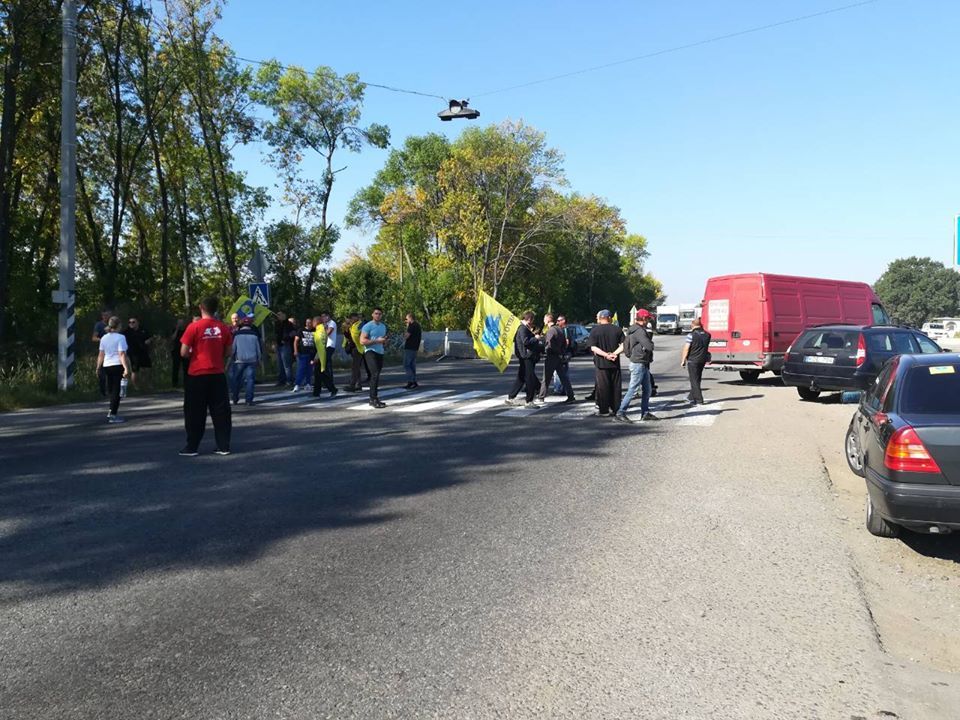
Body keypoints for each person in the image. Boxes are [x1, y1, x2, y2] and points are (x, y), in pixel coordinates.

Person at [179, 296, 233, 457]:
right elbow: (229, 352)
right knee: (221, 411)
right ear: (215, 308)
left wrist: (193, 354)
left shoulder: (193, 327)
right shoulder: (223, 328)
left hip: (197, 374)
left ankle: (192, 446)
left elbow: (183, 351)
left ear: (201, 307)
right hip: (217, 373)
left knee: (194, 411)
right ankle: (223, 445)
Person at [615, 308, 658, 423]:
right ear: (643, 318)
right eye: (648, 318)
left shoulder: (633, 330)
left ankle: (645, 412)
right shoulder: (640, 331)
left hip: (641, 363)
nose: (649, 320)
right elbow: (650, 346)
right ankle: (621, 412)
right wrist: (650, 341)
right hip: (638, 363)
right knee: (633, 389)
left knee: (647, 389)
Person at [587, 309, 624, 417]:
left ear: (600, 318)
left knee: (603, 387)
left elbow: (593, 347)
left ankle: (604, 410)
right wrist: (614, 354)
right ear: (609, 318)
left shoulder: (595, 331)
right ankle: (616, 408)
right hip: (614, 363)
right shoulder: (617, 330)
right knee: (616, 387)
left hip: (601, 364)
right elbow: (623, 345)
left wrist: (606, 355)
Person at [95, 316, 131, 424]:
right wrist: (126, 368)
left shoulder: (104, 338)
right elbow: (122, 354)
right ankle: (113, 414)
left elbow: (101, 354)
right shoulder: (120, 337)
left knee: (111, 390)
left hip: (107, 365)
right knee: (117, 391)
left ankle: (111, 408)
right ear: (119, 325)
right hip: (117, 365)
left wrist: (98, 367)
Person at [505, 311, 543, 406]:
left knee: (521, 377)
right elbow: (525, 342)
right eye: (532, 319)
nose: (533, 321)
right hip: (526, 356)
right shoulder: (523, 328)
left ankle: (511, 397)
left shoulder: (523, 328)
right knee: (529, 378)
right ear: (529, 319)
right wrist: (536, 338)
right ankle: (529, 401)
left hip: (523, 355)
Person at [539, 314, 575, 403]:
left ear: (547, 320)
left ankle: (541, 397)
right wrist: (561, 353)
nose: (544, 321)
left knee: (546, 377)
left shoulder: (551, 330)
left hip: (551, 356)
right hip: (559, 356)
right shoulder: (560, 330)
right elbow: (564, 344)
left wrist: (545, 351)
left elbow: (549, 344)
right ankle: (570, 395)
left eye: (544, 319)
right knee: (563, 377)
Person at [359, 307, 388, 408]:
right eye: (376, 313)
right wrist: (376, 341)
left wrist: (384, 342)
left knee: (376, 375)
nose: (378, 315)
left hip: (380, 352)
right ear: (372, 314)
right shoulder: (367, 326)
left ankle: (375, 398)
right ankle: (373, 398)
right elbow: (362, 341)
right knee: (374, 374)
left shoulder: (383, 326)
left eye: (380, 314)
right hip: (370, 351)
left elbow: (382, 340)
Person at [230, 317, 262, 406]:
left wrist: (232, 357)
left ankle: (235, 398)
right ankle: (249, 400)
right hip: (252, 360)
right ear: (250, 324)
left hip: (239, 360)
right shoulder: (254, 335)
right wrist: (259, 359)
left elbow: (233, 348)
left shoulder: (237, 334)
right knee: (250, 380)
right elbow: (258, 348)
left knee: (237, 379)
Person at [681, 317, 712, 406]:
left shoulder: (691, 335)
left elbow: (686, 349)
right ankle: (690, 397)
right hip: (702, 359)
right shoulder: (707, 334)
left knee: (694, 380)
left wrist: (683, 360)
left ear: (692, 325)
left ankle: (699, 400)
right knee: (697, 379)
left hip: (693, 360)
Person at [311, 315, 338, 398]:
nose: (312, 323)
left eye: (313, 322)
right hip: (321, 355)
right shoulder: (321, 330)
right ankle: (316, 392)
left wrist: (316, 357)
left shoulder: (319, 332)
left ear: (316, 322)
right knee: (318, 374)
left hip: (321, 356)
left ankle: (332, 389)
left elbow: (320, 346)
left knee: (322, 374)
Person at [122, 316, 152, 389]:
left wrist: (149, 340)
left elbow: (150, 337)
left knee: (147, 369)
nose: (131, 324)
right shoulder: (126, 332)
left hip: (144, 352)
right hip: (133, 354)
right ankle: (136, 387)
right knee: (135, 370)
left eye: (133, 322)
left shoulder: (143, 329)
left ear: (137, 322)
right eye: (130, 322)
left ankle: (147, 384)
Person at [292, 317, 316, 392]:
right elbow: (296, 341)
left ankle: (308, 383)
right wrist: (295, 351)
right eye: (307, 322)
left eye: (310, 322)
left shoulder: (314, 331)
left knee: (309, 369)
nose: (308, 324)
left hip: (311, 353)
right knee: (301, 369)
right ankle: (297, 384)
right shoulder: (301, 330)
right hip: (302, 352)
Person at [343, 313, 365, 392]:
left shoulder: (360, 324)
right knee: (356, 367)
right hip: (353, 348)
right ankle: (358, 384)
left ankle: (352, 385)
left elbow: (359, 335)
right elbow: (348, 336)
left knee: (355, 367)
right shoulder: (351, 325)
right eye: (350, 318)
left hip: (359, 348)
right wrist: (346, 328)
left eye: (352, 318)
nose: (351, 319)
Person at [92, 309, 112, 396]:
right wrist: (102, 340)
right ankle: (102, 392)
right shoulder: (99, 325)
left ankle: (112, 390)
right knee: (102, 372)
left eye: (107, 315)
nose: (105, 317)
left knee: (112, 372)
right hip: (103, 351)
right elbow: (93, 338)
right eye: (104, 315)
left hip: (113, 351)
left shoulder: (113, 324)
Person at [319, 312, 339, 395]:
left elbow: (328, 333)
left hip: (330, 345)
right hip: (324, 346)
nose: (322, 318)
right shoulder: (326, 324)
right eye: (321, 317)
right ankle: (326, 381)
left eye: (324, 316)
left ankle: (329, 380)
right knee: (325, 364)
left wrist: (324, 327)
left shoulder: (332, 323)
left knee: (327, 363)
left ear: (328, 316)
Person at [273, 311, 294, 387]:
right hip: (278, 345)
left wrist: (286, 339)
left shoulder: (288, 324)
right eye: (277, 315)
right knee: (280, 364)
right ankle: (281, 380)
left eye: (280, 315)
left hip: (286, 345)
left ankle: (289, 380)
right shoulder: (276, 324)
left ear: (284, 315)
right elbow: (276, 333)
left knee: (286, 364)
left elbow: (292, 333)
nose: (278, 316)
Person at [403, 313, 422, 389]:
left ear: (410, 318)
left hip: (410, 347)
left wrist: (406, 328)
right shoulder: (417, 325)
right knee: (412, 365)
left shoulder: (411, 326)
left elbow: (406, 336)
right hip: (415, 347)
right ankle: (414, 381)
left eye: (406, 319)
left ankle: (411, 381)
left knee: (406, 364)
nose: (406, 321)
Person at [170, 318, 189, 386]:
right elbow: (172, 338)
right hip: (176, 351)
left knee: (186, 368)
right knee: (176, 367)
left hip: (184, 350)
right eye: (179, 323)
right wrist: (177, 329)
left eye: (181, 323)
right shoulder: (174, 330)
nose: (180, 324)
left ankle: (186, 383)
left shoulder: (186, 330)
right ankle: (174, 383)